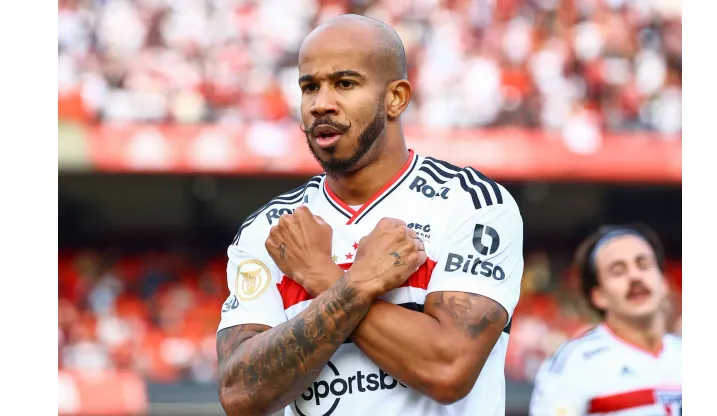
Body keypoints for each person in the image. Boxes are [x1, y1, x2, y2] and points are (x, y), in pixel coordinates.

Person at [215, 14, 524, 416]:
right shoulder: (270, 230)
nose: (321, 103)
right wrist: (358, 284)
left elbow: (448, 369)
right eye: (310, 87)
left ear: (396, 97)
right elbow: (240, 395)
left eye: (345, 83)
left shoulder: (470, 204)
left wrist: (322, 277)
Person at [529, 224, 681, 416]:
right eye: (618, 271)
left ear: (664, 281)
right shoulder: (575, 363)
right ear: (598, 295)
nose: (635, 276)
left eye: (643, 264)